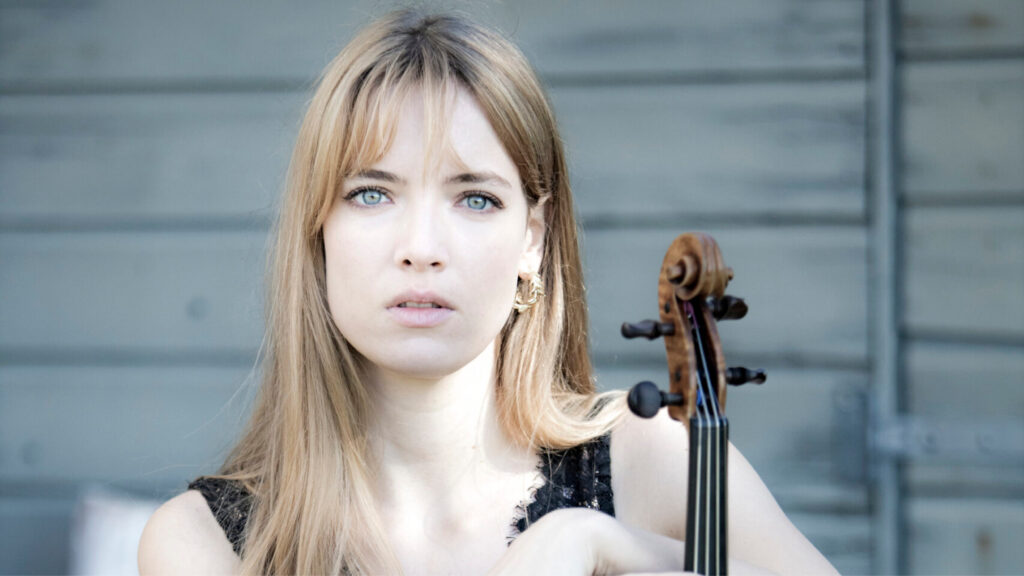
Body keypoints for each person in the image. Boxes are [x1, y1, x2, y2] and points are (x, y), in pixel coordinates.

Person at [138, 8, 839, 576]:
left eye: (474, 198)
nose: (421, 247)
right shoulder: (202, 545)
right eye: (372, 193)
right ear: (319, 232)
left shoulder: (651, 459)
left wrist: (600, 542)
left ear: (533, 239)